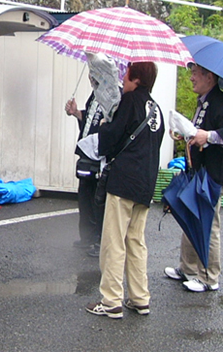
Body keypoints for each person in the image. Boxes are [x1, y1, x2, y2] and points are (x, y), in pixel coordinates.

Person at [86, 62, 164, 319]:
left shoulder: (129, 102)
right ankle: (140, 298)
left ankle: (111, 300)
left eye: (127, 72)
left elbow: (111, 138)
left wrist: (108, 120)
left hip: (123, 181)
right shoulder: (156, 109)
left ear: (137, 79)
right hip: (145, 184)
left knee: (114, 241)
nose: (123, 76)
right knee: (136, 241)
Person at [164, 64, 223, 293]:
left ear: (209, 76)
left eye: (195, 73)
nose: (191, 78)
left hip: (215, 174)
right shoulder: (205, 101)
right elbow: (199, 132)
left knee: (208, 223)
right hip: (201, 171)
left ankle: (209, 277)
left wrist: (206, 135)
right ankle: (187, 268)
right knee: (190, 216)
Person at [66, 84, 105, 257]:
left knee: (98, 198)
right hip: (86, 153)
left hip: (99, 154)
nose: (91, 77)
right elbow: (89, 120)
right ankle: (87, 237)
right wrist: (76, 113)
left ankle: (99, 240)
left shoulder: (113, 94)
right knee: (84, 195)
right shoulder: (95, 94)